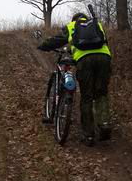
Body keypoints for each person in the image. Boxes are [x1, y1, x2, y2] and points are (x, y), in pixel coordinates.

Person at [38, 12, 112, 146]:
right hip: (104, 58)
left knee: (87, 97)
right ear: (85, 18)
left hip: (85, 60)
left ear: (74, 20)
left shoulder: (72, 26)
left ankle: (89, 135)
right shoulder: (97, 24)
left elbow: (57, 40)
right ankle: (104, 124)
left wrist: (43, 46)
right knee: (101, 93)